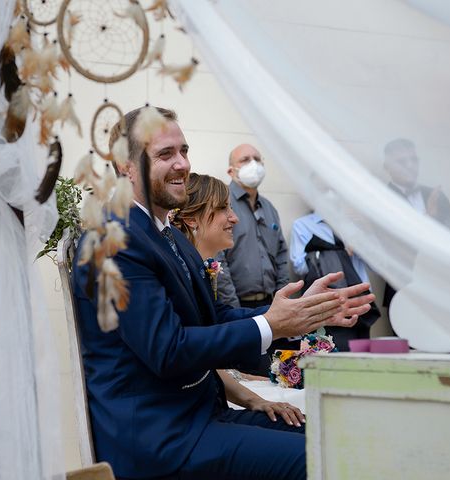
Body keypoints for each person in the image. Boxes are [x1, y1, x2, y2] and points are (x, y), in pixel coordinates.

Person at [72, 106, 375, 480]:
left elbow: (211, 319)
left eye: (184, 150)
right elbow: (168, 350)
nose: (182, 163)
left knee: (331, 436)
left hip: (200, 416)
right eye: (165, 154)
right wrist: (268, 324)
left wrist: (298, 316)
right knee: (317, 459)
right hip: (161, 438)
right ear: (125, 166)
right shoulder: (114, 239)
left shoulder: (164, 233)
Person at [171, 172, 305, 419]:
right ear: (191, 220)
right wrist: (277, 322)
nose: (234, 218)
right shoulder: (180, 273)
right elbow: (197, 344)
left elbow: (220, 317)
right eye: (223, 209)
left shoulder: (198, 269)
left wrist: (295, 314)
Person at [216, 143, 297, 375]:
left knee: (274, 375)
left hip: (271, 305)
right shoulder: (223, 203)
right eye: (244, 160)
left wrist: (285, 300)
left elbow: (281, 256)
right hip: (237, 307)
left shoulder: (269, 208)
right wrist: (233, 308)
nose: (253, 164)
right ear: (231, 170)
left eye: (257, 159)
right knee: (247, 375)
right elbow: (217, 259)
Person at [382, 138, 450, 306]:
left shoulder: (435, 195)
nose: (410, 165)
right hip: (405, 290)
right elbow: (389, 245)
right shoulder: (382, 199)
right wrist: (428, 219)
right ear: (387, 167)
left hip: (443, 286)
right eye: (402, 161)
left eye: (414, 160)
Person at [290, 212, 381, 351]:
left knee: (360, 356)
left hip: (359, 301)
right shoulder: (304, 225)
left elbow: (379, 265)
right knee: (330, 354)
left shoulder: (355, 224)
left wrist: (361, 239)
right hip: (328, 302)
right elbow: (300, 267)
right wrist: (329, 252)